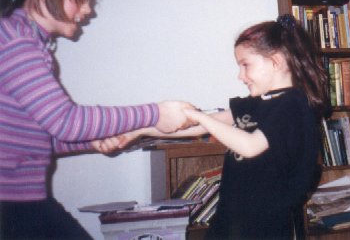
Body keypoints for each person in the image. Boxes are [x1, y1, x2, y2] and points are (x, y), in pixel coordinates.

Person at [0, 0, 194, 240]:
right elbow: (66, 121)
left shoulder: (22, 38)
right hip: (11, 204)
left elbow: (42, 137)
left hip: (21, 199)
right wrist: (157, 112)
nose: (88, 9)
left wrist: (93, 140)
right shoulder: (17, 41)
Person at [97, 14, 330, 240]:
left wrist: (195, 115)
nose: (240, 75)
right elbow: (197, 127)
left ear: (276, 61)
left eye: (245, 65)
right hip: (231, 220)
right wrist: (139, 131)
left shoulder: (294, 104)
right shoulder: (255, 104)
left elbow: (250, 146)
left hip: (266, 226)